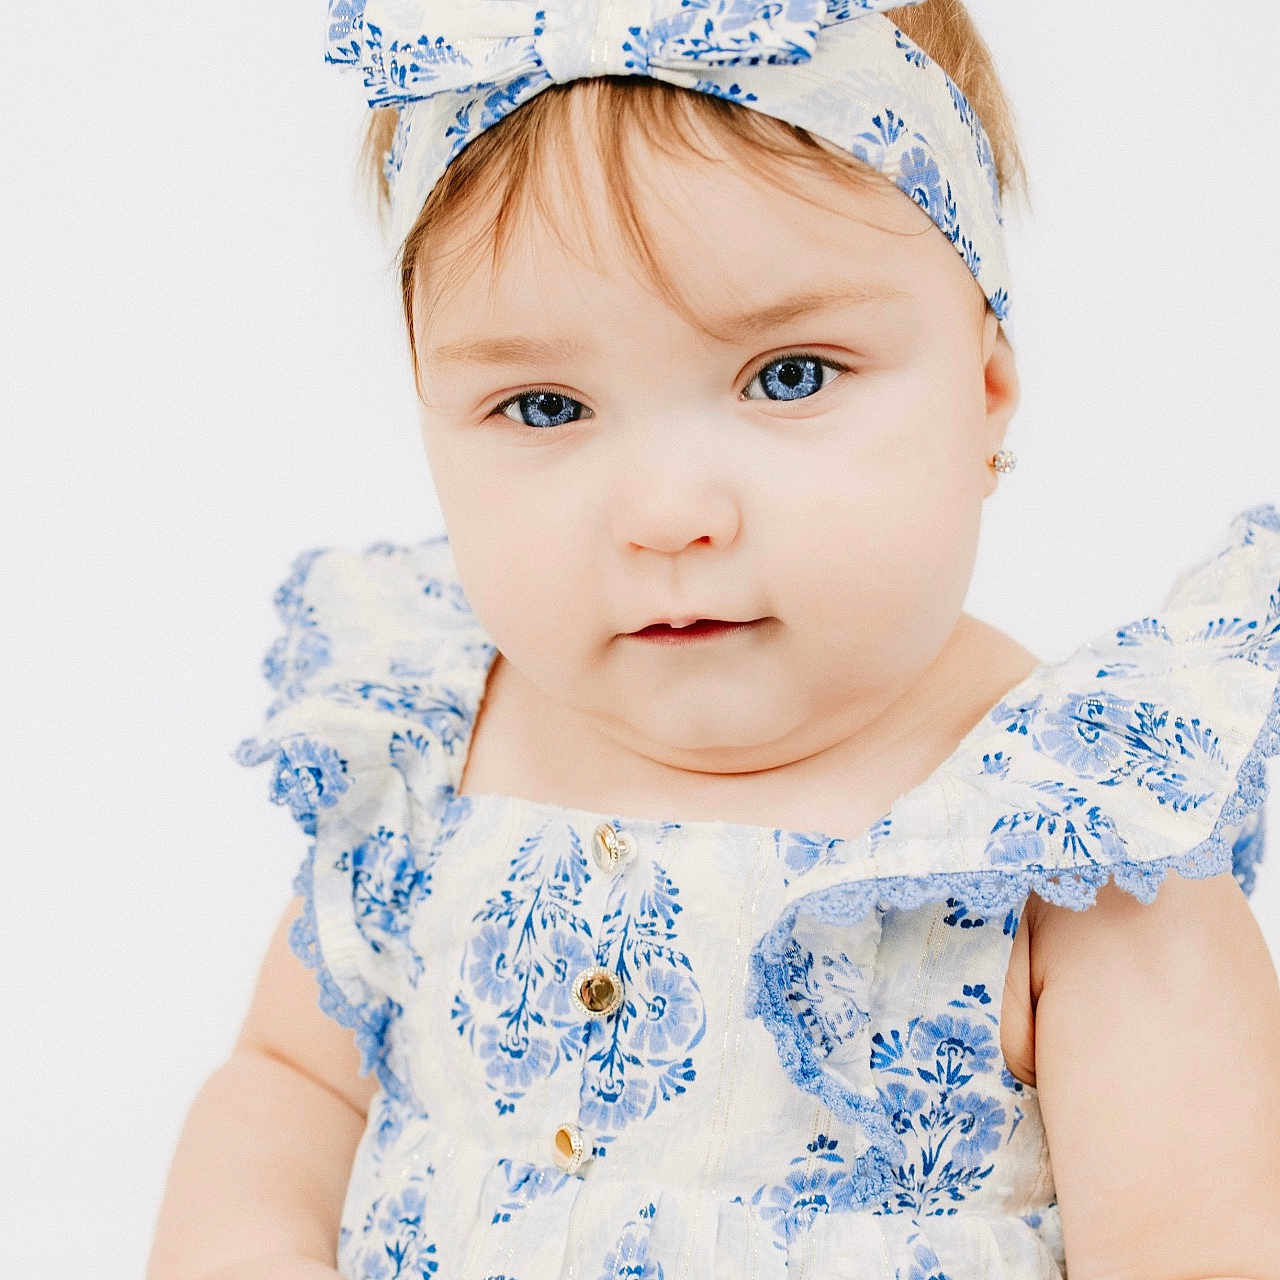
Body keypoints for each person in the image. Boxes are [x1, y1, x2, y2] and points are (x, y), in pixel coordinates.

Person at [147, 2, 1280, 1277]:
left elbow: (1197, 1244)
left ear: (983, 390)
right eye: (542, 404)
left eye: (787, 374)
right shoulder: (429, 750)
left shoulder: (1073, 844)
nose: (668, 513)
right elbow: (288, 1085)